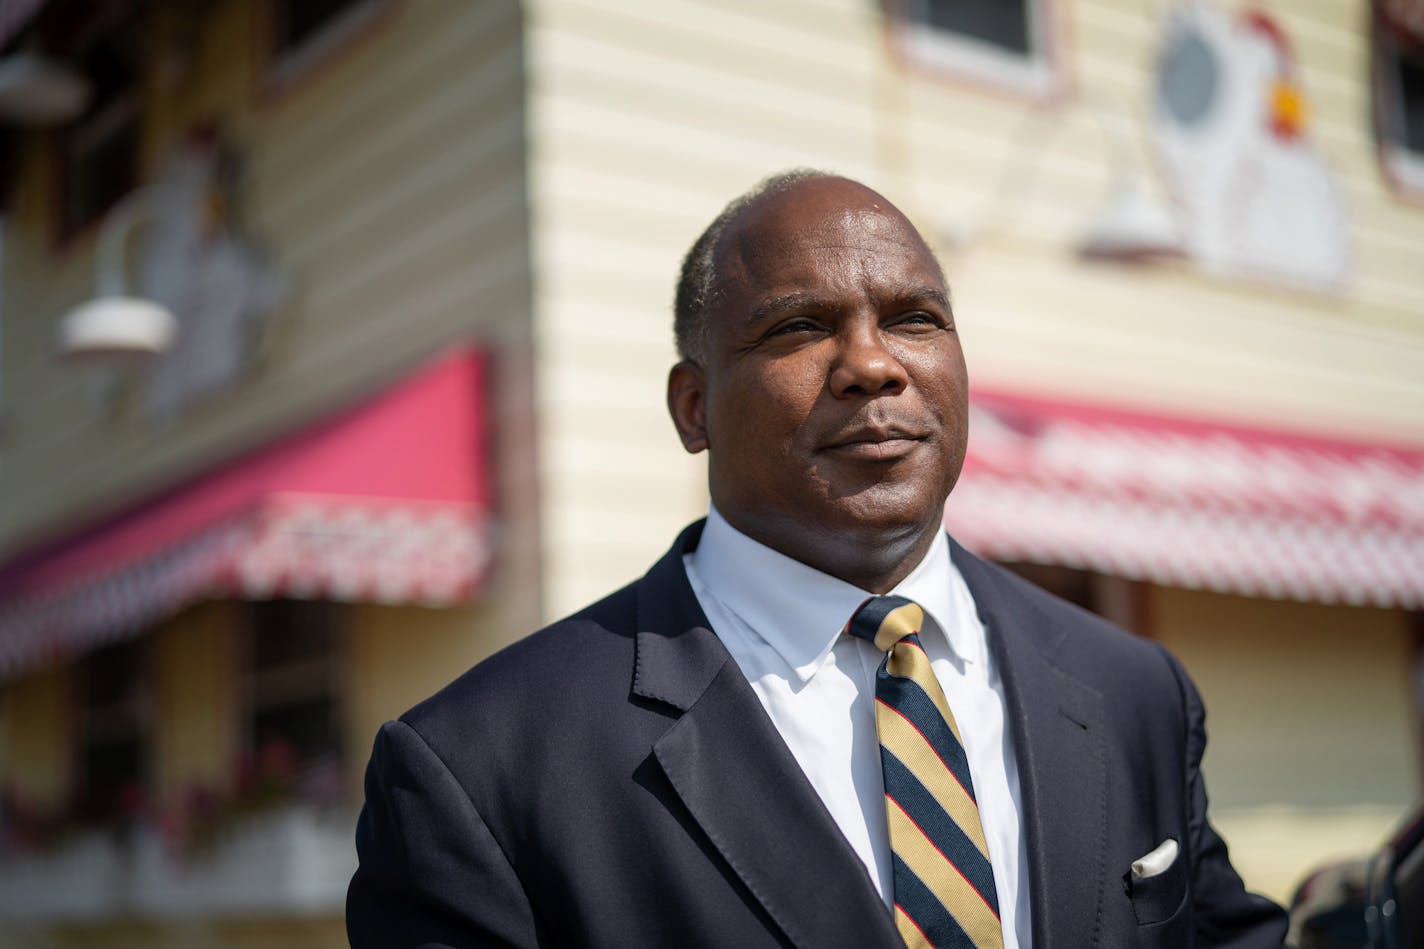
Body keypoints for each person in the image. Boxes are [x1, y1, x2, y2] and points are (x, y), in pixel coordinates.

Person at [347, 171, 1288, 948]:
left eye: (915, 318)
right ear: (693, 408)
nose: (874, 364)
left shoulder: (1131, 689)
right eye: (799, 328)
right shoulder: (478, 767)